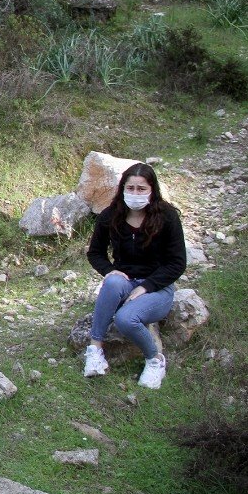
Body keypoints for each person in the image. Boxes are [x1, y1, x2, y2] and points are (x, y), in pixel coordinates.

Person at [83, 163, 186, 389]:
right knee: (111, 282)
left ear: (152, 189)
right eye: (131, 188)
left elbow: (177, 263)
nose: (135, 194)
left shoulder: (167, 217)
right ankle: (95, 349)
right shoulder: (111, 216)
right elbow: (95, 253)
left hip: (157, 287)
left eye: (141, 189)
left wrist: (147, 286)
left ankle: (154, 360)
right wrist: (110, 270)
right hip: (125, 281)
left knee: (125, 319)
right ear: (122, 189)